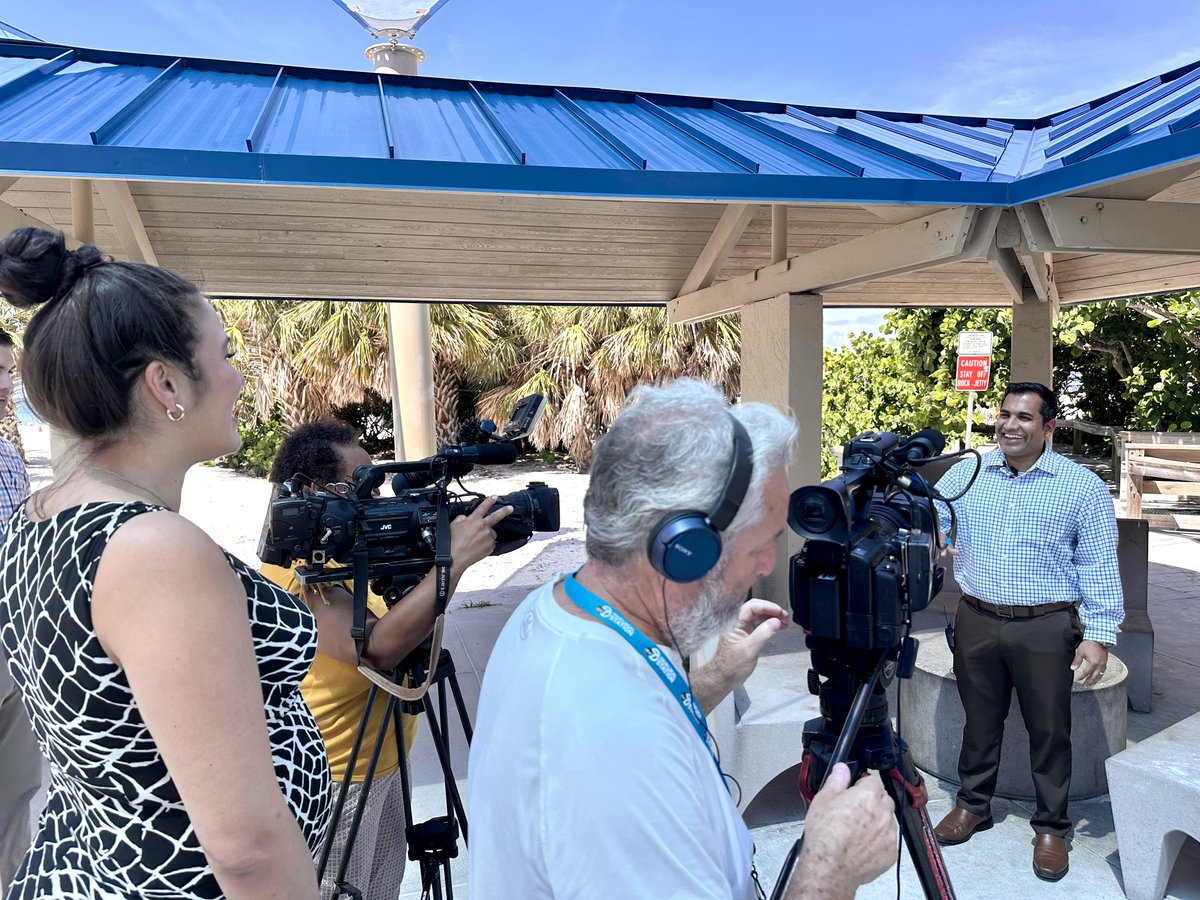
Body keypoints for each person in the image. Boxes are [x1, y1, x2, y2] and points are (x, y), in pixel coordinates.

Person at [468, 377, 896, 900]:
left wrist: (710, 680)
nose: (768, 565)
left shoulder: (560, 609)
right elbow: (623, 743)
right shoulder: (612, 742)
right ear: (684, 548)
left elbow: (638, 716)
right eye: (763, 543)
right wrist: (830, 871)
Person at [0, 227, 332, 900]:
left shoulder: (40, 514)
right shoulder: (153, 551)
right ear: (167, 382)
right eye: (226, 353)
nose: (238, 375)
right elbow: (244, 850)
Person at [262, 421, 510, 900]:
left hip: (386, 761)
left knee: (379, 891)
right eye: (363, 483)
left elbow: (406, 619)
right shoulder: (292, 570)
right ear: (318, 491)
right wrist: (450, 565)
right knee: (336, 892)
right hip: (336, 780)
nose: (374, 496)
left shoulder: (344, 550)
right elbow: (375, 650)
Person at [931, 381, 1123, 882]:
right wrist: (941, 533)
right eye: (1004, 414)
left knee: (1049, 730)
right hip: (976, 618)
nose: (1009, 425)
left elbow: (1099, 563)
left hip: (1046, 625)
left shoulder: (1079, 485)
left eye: (1024, 417)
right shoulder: (967, 474)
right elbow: (935, 514)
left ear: (1049, 427)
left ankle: (1052, 827)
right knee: (979, 721)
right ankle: (974, 805)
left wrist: (1099, 634)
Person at [0, 328, 35, 895]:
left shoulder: (9, 458)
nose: (8, 385)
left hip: (13, 646)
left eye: (8, 372)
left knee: (15, 796)